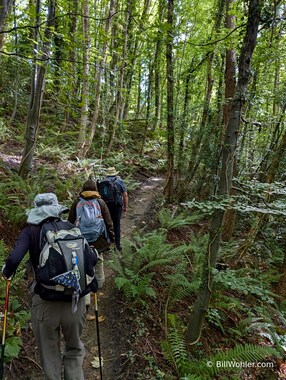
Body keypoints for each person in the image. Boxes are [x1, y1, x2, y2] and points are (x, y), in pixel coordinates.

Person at [2, 193, 96, 380]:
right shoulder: (70, 228)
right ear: (56, 207)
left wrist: (6, 272)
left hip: (45, 303)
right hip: (74, 302)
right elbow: (91, 259)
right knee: (75, 349)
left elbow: (14, 259)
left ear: (36, 209)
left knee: (49, 353)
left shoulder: (31, 231)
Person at [68, 179, 115, 320]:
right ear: (95, 189)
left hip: (81, 240)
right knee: (99, 262)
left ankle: (86, 298)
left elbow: (70, 221)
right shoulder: (100, 202)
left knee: (83, 267)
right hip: (98, 240)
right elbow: (108, 221)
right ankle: (98, 286)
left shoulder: (77, 203)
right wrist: (111, 237)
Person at [101, 167, 128, 252]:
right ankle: (117, 246)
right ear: (115, 173)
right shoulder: (119, 181)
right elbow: (125, 195)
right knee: (116, 224)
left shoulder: (103, 182)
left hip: (106, 206)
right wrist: (125, 206)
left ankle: (106, 244)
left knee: (107, 224)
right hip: (117, 206)